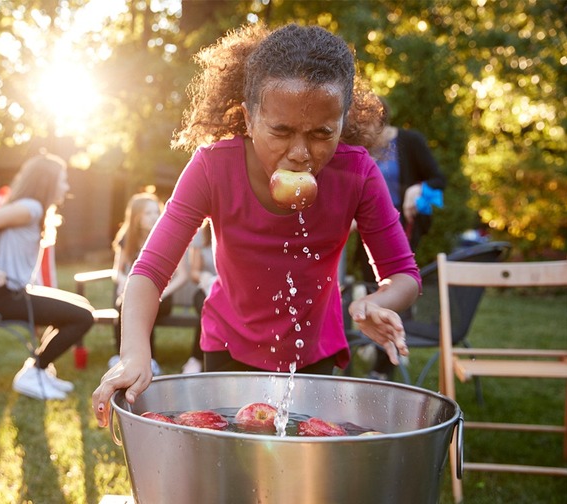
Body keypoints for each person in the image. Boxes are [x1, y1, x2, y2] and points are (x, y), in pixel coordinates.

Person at [92, 23, 421, 426]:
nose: (300, 154)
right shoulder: (213, 168)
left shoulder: (358, 174)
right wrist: (134, 353)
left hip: (315, 355)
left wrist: (375, 303)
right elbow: (148, 271)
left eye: (321, 133)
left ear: (341, 121)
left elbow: (403, 274)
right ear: (249, 119)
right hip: (227, 351)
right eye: (280, 131)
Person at [0, 153, 95, 401]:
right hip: (3, 297)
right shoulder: (31, 207)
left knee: (80, 307)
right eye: (63, 180)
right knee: (83, 317)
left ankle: (38, 370)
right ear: (47, 182)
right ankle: (35, 371)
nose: (66, 186)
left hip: (16, 293)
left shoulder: (35, 210)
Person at [352, 97, 447, 380]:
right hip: (367, 232)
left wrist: (417, 189)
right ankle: (376, 354)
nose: (365, 134)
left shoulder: (410, 141)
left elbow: (438, 179)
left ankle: (383, 368)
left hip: (403, 230)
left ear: (382, 119)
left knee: (394, 290)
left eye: (370, 126)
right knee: (372, 291)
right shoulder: (361, 149)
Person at [108, 192, 190, 375]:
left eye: (156, 211)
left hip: (163, 296)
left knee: (143, 304)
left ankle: (149, 359)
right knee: (125, 302)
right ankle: (121, 357)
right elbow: (117, 271)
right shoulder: (126, 238)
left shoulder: (170, 237)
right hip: (133, 294)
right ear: (136, 217)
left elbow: (183, 276)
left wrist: (160, 293)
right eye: (148, 213)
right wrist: (125, 283)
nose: (154, 216)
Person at [182, 220, 216, 374]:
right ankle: (196, 358)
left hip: (230, 290)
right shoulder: (202, 236)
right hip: (206, 288)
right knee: (207, 307)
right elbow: (194, 272)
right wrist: (204, 276)